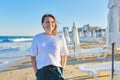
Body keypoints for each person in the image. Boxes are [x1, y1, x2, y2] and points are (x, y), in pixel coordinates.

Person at [30, 13, 69, 80]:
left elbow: (64, 55)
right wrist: (36, 72)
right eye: (47, 22)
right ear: (42, 24)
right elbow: (33, 57)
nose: (50, 24)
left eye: (52, 22)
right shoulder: (37, 38)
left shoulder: (60, 37)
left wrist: (62, 70)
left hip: (57, 71)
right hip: (42, 72)